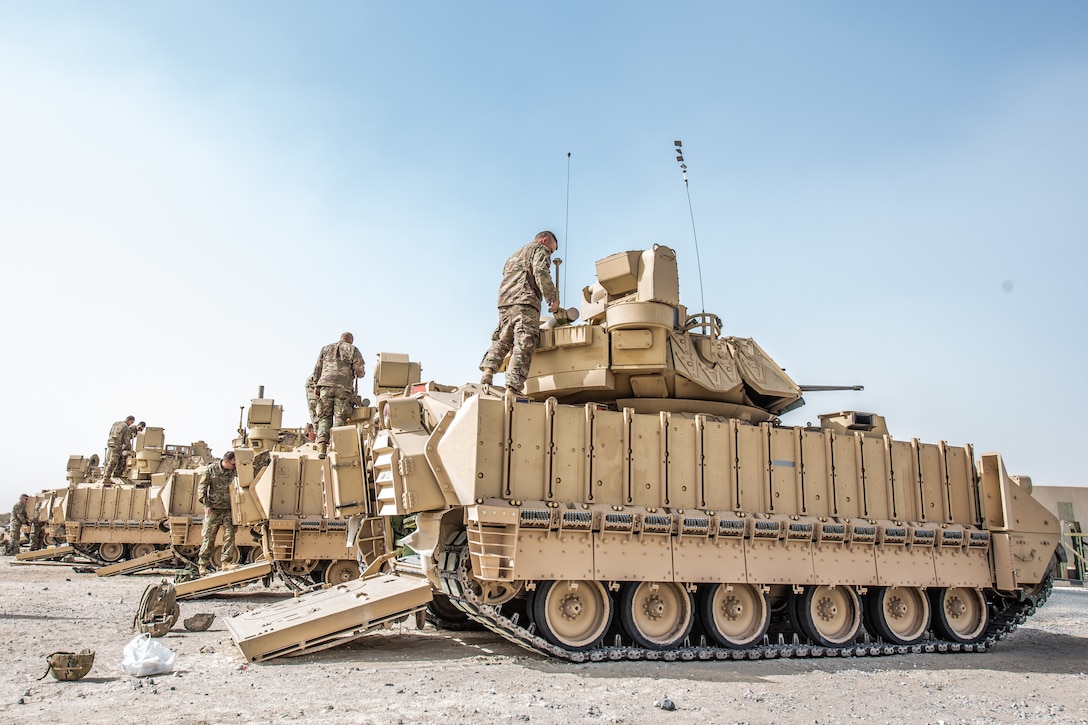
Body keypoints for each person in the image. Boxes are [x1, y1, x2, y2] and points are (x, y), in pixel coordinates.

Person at [479, 230, 560, 393]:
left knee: (503, 338)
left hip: (505, 302)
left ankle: (488, 370)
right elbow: (541, 271)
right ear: (544, 240)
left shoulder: (514, 255)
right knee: (524, 341)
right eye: (551, 250)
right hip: (525, 301)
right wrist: (552, 297)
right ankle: (513, 385)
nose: (550, 253)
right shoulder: (539, 249)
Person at [311, 332, 366, 458]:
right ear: (350, 340)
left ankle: (322, 447)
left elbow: (317, 369)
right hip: (343, 388)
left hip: (325, 386)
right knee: (340, 418)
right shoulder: (352, 349)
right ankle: (334, 448)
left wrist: (316, 386)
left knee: (324, 417)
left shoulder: (325, 348)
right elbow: (360, 371)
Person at [197, 451, 237, 576]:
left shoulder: (235, 470)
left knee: (229, 536)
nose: (234, 466)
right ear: (225, 462)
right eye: (232, 463)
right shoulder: (211, 469)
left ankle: (226, 562)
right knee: (209, 537)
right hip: (214, 509)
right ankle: (202, 564)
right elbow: (202, 487)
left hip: (229, 509)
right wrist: (206, 505)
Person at [101, 415, 139, 484]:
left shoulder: (116, 423)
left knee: (110, 459)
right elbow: (126, 440)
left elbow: (110, 433)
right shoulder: (126, 428)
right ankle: (106, 478)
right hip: (117, 445)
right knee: (113, 461)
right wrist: (130, 450)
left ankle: (113, 475)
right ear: (129, 420)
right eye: (132, 422)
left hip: (110, 442)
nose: (131, 424)